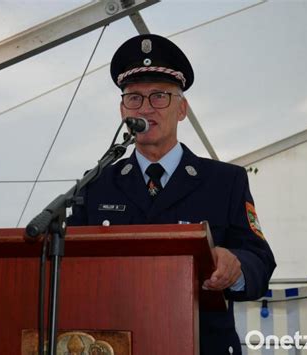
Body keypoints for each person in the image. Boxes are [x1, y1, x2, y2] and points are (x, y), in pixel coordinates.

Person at [68, 34, 276, 355]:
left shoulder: (224, 180)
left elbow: (260, 260)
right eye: (135, 98)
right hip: (116, 344)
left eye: (160, 97)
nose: (147, 108)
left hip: (200, 344)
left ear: (182, 109)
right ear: (123, 109)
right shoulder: (97, 183)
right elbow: (68, 263)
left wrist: (236, 267)